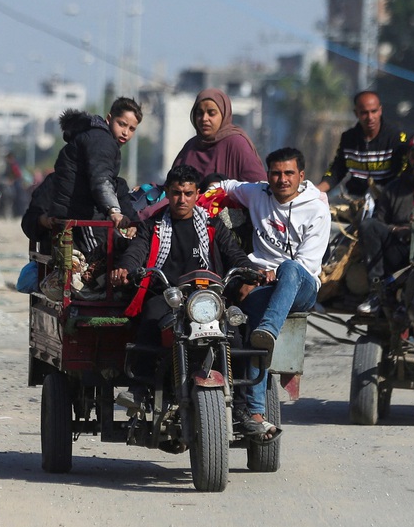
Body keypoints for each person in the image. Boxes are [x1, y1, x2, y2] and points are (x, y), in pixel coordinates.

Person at [109, 165, 258, 408]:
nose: (182, 199)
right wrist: (126, 269)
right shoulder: (153, 225)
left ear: (197, 194)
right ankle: (139, 389)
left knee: (237, 333)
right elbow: (137, 251)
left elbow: (234, 253)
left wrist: (250, 271)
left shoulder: (212, 225)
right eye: (177, 193)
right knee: (149, 320)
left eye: (188, 193)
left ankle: (242, 405)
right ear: (167, 192)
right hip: (167, 296)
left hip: (207, 298)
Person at [215, 148, 330, 439]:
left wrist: (274, 273)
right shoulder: (257, 193)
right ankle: (254, 412)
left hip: (300, 285)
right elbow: (225, 186)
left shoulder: (317, 206)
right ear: (268, 175)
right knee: (252, 332)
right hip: (262, 288)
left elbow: (308, 264)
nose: (282, 179)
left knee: (290, 268)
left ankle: (269, 328)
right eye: (276, 173)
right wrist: (206, 193)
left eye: (289, 173)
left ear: (301, 176)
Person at [355, 132, 414, 315]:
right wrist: (395, 228)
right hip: (396, 247)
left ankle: (411, 297)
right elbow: (378, 220)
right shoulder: (394, 188)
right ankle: (376, 292)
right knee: (368, 226)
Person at [46, 97, 143, 253]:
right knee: (103, 260)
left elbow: (115, 185)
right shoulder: (101, 141)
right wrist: (114, 212)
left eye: (132, 129)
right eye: (122, 124)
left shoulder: (96, 137)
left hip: (76, 212)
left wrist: (133, 220)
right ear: (109, 119)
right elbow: (101, 179)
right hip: (80, 215)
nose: (126, 132)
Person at [317, 91, 408, 197]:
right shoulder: (348, 138)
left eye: (374, 111)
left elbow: (404, 174)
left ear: (380, 110)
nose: (370, 117)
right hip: (355, 198)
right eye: (364, 113)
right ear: (356, 113)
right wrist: (317, 190)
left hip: (388, 198)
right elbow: (337, 170)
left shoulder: (396, 137)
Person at [171, 88, 266, 183]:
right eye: (199, 113)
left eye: (211, 113)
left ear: (224, 115)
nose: (204, 118)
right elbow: (172, 187)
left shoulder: (236, 144)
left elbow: (259, 188)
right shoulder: (190, 146)